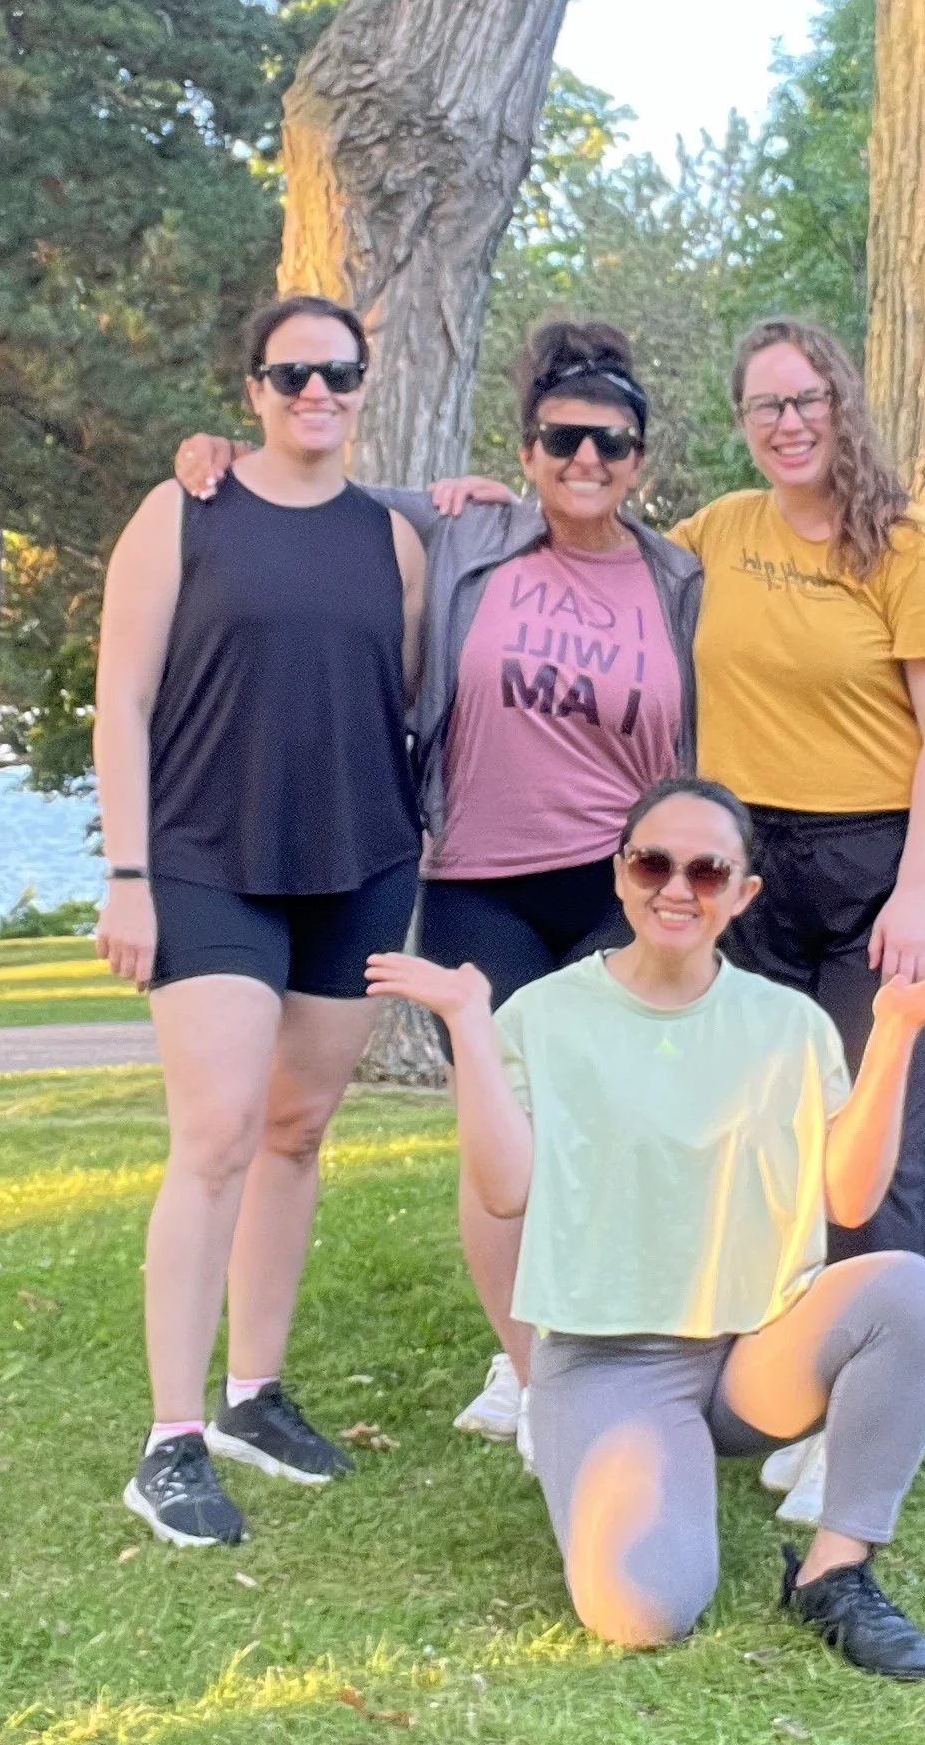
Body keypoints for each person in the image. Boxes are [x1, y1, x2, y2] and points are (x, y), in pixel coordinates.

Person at [432, 316, 925, 1527]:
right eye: (763, 406)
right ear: (742, 422)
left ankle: (855, 1423)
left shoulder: (911, 548)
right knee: (770, 1134)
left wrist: (913, 892)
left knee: (879, 1127)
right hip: (751, 863)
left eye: (807, 400)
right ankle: (732, 1364)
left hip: (886, 859)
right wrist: (490, 506)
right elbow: (592, 536)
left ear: (843, 404)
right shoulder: (716, 536)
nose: (788, 423)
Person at [171, 318, 701, 1461]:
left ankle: (609, 1346)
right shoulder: (459, 532)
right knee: (502, 1134)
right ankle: (529, 1371)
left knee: (611, 1131)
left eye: (613, 444)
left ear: (641, 459)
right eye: (564, 439)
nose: (588, 462)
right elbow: (308, 491)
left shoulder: (675, 573)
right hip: (478, 879)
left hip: (621, 889)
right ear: (528, 449)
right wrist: (210, 452)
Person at [369, 779, 925, 1675]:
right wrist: (469, 1025)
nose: (676, 888)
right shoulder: (542, 1016)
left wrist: (891, 1037)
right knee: (643, 1612)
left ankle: (834, 1571)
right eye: (653, 863)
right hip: (610, 1359)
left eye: (707, 872)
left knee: (903, 1292)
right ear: (619, 875)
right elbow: (505, 1190)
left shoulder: (787, 1023)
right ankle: (633, 1459)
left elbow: (851, 1200)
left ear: (743, 895)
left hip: (751, 1353)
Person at [94, 294, 425, 1551]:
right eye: (291, 374)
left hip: (357, 862)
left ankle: (252, 1397)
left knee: (297, 1128)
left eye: (337, 372)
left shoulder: (390, 540)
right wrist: (127, 875)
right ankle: (171, 1439)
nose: (315, 392)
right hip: (202, 861)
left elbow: (392, 694)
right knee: (221, 1134)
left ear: (360, 383)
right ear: (252, 389)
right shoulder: (184, 509)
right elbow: (120, 702)